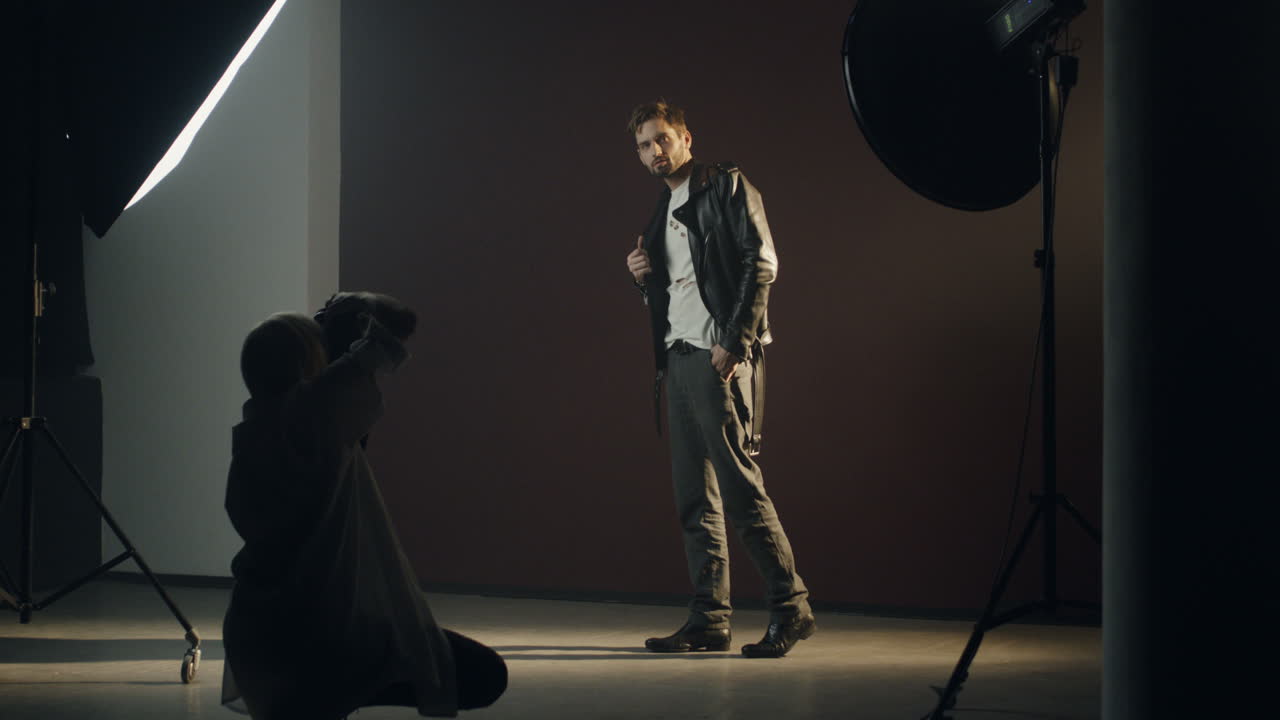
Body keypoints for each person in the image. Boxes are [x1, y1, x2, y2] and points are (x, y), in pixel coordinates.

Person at [221, 292, 506, 719]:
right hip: (327, 635)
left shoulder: (251, 438)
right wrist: (360, 301)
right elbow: (401, 322)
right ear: (307, 365)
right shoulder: (318, 413)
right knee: (483, 674)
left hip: (258, 632)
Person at [624, 101, 815, 658]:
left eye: (662, 139)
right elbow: (678, 287)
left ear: (686, 137)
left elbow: (762, 264)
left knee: (739, 491)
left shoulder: (725, 186)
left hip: (717, 357)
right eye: (643, 145)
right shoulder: (662, 210)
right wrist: (643, 279)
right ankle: (709, 619)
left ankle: (791, 608)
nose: (654, 152)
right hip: (677, 358)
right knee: (694, 499)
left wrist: (736, 341)